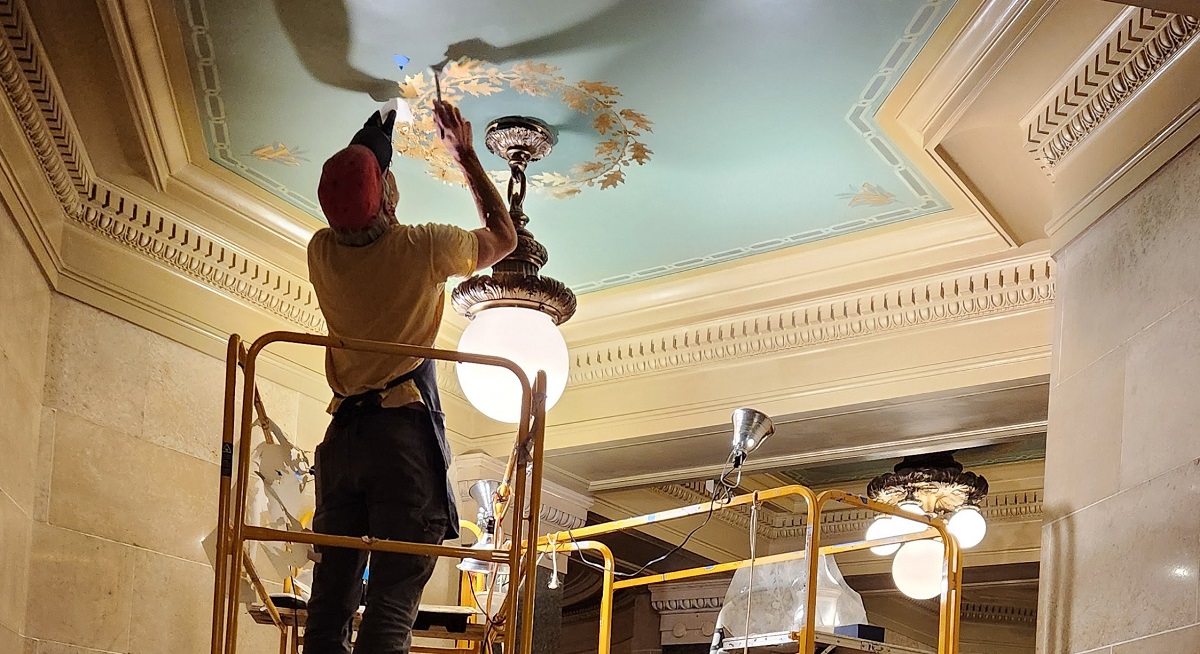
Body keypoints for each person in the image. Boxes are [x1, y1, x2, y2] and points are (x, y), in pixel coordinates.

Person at [303, 99, 516, 654]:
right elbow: (504, 237)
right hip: (398, 441)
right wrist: (464, 153)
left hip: (342, 440)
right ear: (389, 199)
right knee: (393, 603)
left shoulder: (320, 251)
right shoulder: (422, 246)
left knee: (329, 607)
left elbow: (356, 210)